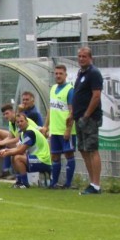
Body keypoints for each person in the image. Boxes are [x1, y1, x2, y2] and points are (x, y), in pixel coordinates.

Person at [72, 46, 103, 195]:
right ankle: (92, 183)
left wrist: (86, 115)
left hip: (89, 118)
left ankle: (96, 184)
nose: (81, 59)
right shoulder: (81, 73)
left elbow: (96, 96)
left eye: (84, 56)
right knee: (83, 150)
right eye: (79, 56)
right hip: (79, 118)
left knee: (92, 149)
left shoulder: (94, 73)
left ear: (90, 58)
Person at [47, 63, 77, 189]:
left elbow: (72, 111)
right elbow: (51, 109)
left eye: (61, 74)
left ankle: (68, 184)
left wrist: (68, 129)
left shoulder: (69, 90)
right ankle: (54, 183)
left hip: (65, 130)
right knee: (55, 155)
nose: (58, 76)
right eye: (56, 73)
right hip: (54, 130)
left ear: (66, 75)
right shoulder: (53, 88)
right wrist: (46, 126)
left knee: (69, 154)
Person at [9, 110, 52, 189]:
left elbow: (21, 150)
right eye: (18, 122)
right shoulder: (23, 133)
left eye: (22, 121)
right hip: (36, 158)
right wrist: (6, 151)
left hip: (43, 160)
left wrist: (6, 152)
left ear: (27, 121)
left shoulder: (30, 132)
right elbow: (18, 148)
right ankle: (19, 182)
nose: (20, 123)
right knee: (14, 156)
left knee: (18, 157)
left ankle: (25, 184)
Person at [0, 103, 22, 179]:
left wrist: (2, 143)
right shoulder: (11, 122)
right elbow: (10, 136)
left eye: (7, 113)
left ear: (13, 112)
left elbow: (18, 139)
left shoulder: (19, 120)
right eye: (4, 114)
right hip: (18, 142)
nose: (5, 116)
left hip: (23, 144)